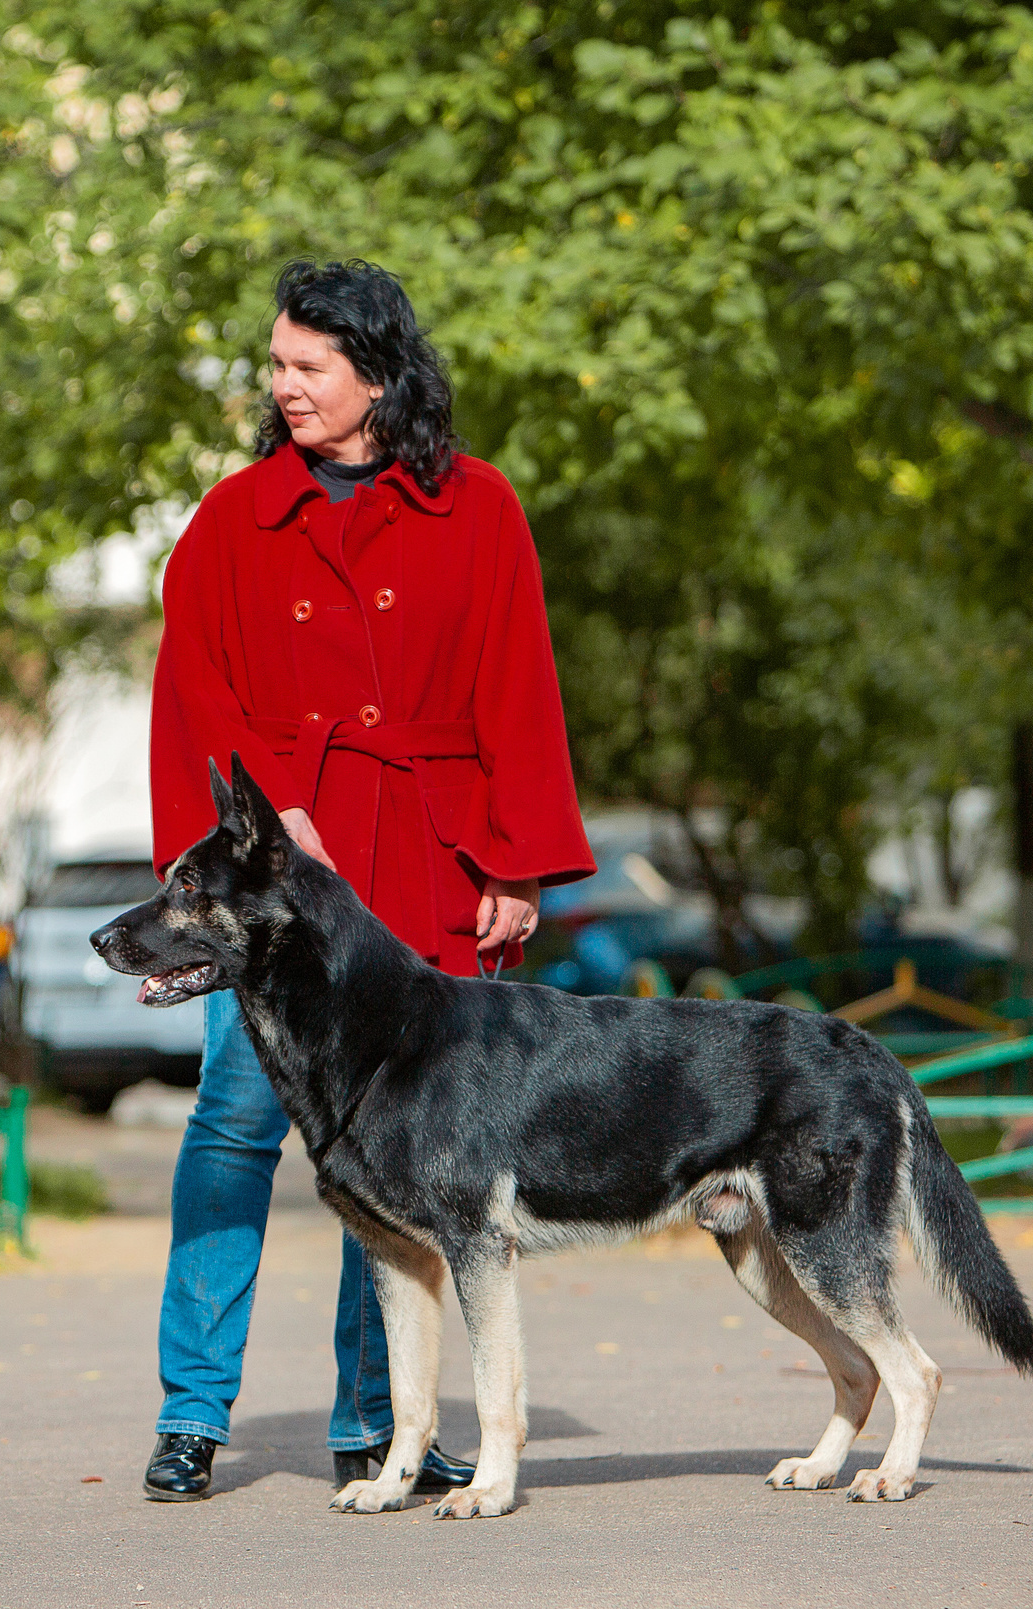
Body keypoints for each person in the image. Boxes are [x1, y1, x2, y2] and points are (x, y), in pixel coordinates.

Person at [141, 259, 596, 1501]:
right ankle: (191, 1414)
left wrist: (514, 858)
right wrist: (277, 819)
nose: (281, 385)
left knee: (402, 1154)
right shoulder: (231, 522)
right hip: (284, 885)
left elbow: (517, 683)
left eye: (307, 366)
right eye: (276, 364)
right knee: (236, 1125)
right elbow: (197, 696)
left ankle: (375, 1421)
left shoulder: (481, 507)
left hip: (432, 855)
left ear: (379, 377)